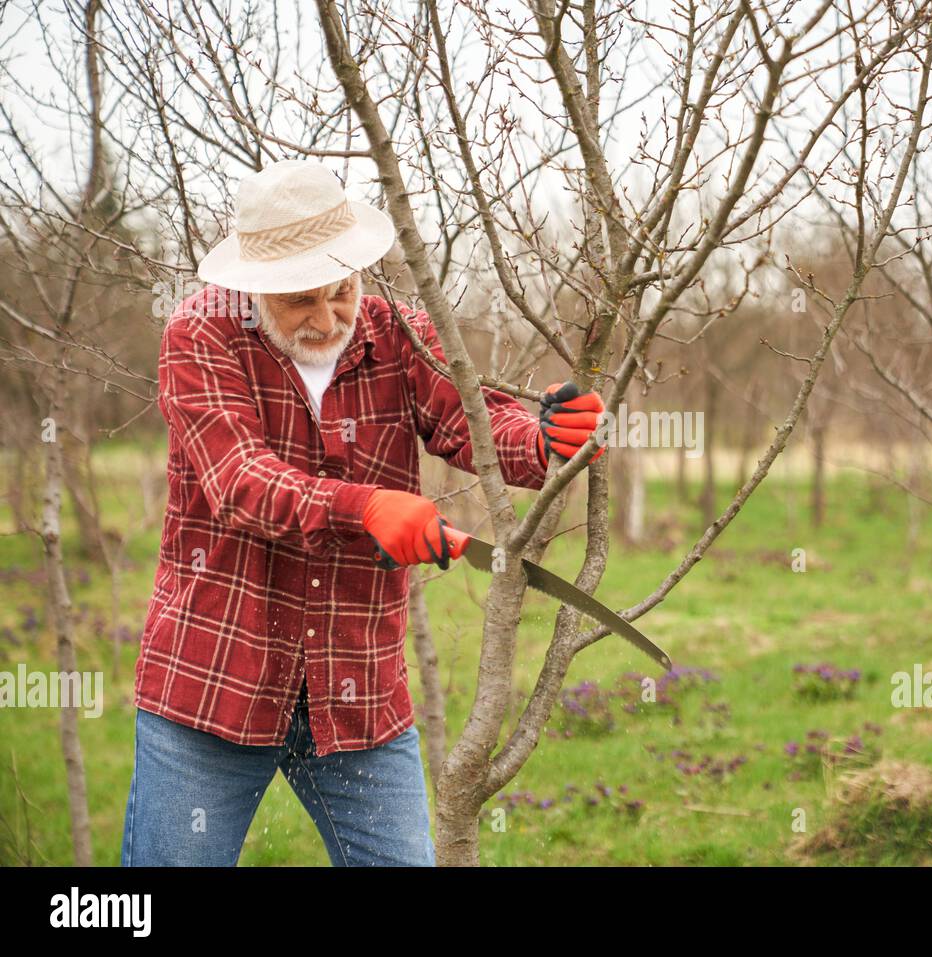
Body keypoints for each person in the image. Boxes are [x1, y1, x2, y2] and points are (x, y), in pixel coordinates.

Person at [121, 159, 605, 866]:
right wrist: (365, 506)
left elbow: (470, 424)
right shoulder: (201, 334)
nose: (327, 319)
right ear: (255, 288)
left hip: (356, 687)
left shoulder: (396, 333)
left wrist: (547, 441)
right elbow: (237, 480)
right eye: (300, 302)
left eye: (340, 291)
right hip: (214, 681)